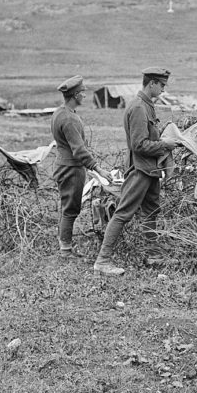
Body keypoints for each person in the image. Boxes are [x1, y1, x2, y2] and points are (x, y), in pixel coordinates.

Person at [93, 67, 182, 276]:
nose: (163, 89)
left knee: (151, 211)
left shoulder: (147, 105)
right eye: (161, 85)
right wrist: (165, 144)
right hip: (140, 169)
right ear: (151, 83)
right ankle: (103, 260)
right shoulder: (139, 108)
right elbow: (139, 145)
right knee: (123, 213)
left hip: (150, 170)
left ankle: (153, 255)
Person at [51, 75, 113, 260]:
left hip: (63, 164)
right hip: (71, 168)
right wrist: (98, 170)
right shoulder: (69, 119)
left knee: (67, 207)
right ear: (75, 95)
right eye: (82, 93)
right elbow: (78, 150)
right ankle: (65, 251)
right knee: (71, 209)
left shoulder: (59, 112)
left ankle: (65, 246)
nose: (84, 96)